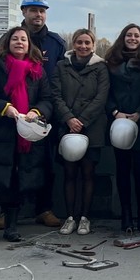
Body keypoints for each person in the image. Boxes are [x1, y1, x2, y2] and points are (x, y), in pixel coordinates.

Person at [0, 26, 52, 245]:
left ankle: (11, 227)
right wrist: (5, 108)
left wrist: (36, 111)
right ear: (7, 43)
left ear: (29, 44)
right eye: (14, 39)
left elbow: (47, 99)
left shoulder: (37, 71)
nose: (19, 42)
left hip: (23, 135)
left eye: (23, 39)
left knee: (17, 181)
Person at [52, 29, 109, 236]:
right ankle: (69, 217)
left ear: (93, 45)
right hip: (67, 125)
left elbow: (101, 97)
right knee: (68, 173)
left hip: (92, 128)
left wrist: (82, 121)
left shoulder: (101, 67)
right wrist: (68, 118)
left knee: (88, 174)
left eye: (87, 43)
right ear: (73, 44)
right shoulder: (61, 66)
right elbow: (55, 94)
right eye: (79, 42)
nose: (83, 47)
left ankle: (84, 218)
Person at [19, 0, 66, 229]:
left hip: (46, 110)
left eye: (42, 10)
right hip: (16, 111)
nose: (38, 14)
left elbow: (63, 78)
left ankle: (44, 209)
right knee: (14, 162)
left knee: (47, 163)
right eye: (33, 9)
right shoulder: (13, 38)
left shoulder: (56, 43)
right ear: (23, 11)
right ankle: (10, 210)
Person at [105, 23, 140, 232]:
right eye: (129, 35)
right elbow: (105, 92)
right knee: (122, 171)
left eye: (136, 35)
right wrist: (115, 112)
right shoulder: (111, 63)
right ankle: (126, 215)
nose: (132, 38)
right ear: (123, 37)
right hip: (119, 122)